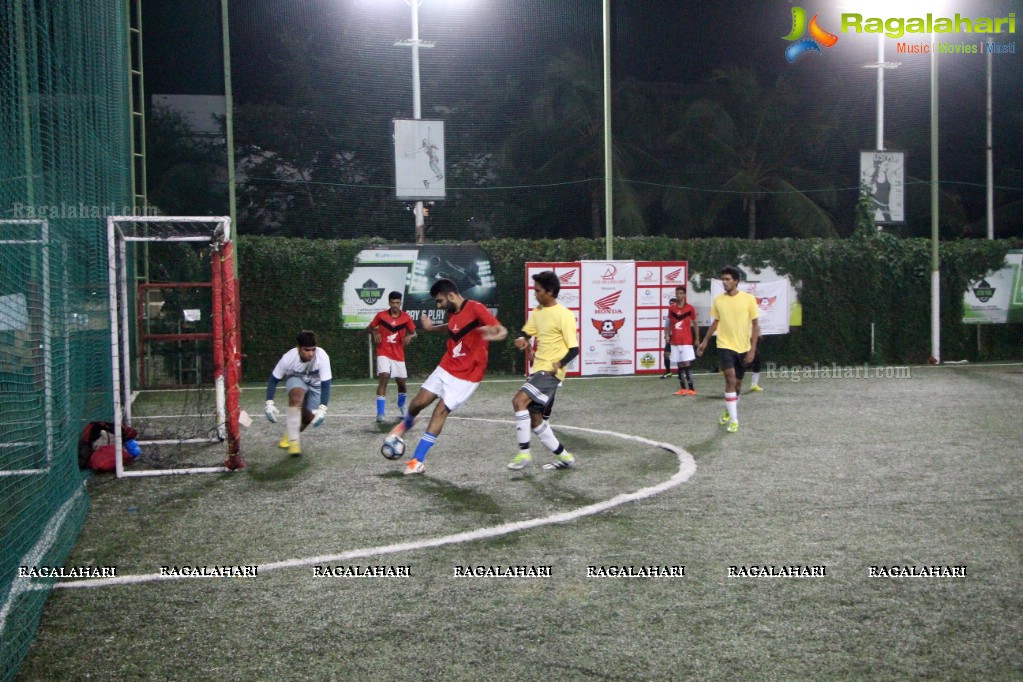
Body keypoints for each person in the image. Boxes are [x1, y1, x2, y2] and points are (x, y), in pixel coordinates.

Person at [387, 278, 507, 475]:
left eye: (440, 301)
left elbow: (501, 330)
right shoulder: (452, 312)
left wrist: (495, 334)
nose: (438, 305)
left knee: (439, 411)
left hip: (467, 375)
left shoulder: (476, 308)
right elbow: (452, 326)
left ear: (451, 296)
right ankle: (407, 424)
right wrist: (431, 328)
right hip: (447, 365)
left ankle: (416, 461)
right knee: (417, 403)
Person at [507, 271, 579, 471]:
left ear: (550, 292)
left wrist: (560, 364)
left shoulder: (564, 315)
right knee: (535, 418)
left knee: (518, 401)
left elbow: (575, 348)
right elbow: (527, 331)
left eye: (537, 290)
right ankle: (565, 457)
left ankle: (524, 453)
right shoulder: (538, 311)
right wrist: (522, 339)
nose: (534, 293)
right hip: (537, 369)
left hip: (549, 372)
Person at [696, 266, 759, 433]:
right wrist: (705, 341)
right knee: (730, 381)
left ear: (736, 281)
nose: (724, 282)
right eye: (723, 279)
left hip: (743, 347)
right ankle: (734, 420)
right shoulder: (718, 300)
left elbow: (755, 325)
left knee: (737, 385)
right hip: (724, 345)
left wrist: (752, 350)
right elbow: (716, 322)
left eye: (727, 279)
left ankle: (728, 408)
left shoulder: (749, 299)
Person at [265, 330, 332, 455]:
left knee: (308, 418)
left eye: (313, 349)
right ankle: (294, 442)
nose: (311, 353)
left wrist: (323, 408)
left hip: (316, 385)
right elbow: (273, 380)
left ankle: (289, 434)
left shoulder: (322, 357)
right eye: (306, 350)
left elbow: (326, 385)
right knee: (296, 399)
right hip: (297, 378)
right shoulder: (288, 358)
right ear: (298, 348)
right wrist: (269, 403)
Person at [369, 291, 417, 423]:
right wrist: (374, 333)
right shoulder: (381, 316)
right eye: (393, 302)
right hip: (383, 351)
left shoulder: (406, 318)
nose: (395, 305)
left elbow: (414, 333)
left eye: (397, 302)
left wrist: (409, 336)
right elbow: (370, 327)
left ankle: (401, 405)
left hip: (398, 354)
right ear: (389, 303)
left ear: (400, 302)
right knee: (384, 376)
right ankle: (380, 414)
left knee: (401, 384)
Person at [667, 285, 701, 396]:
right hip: (675, 340)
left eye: (681, 293)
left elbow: (695, 323)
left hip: (686, 340)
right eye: (677, 293)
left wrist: (697, 338)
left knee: (686, 363)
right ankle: (682, 388)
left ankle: (691, 388)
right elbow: (670, 323)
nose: (678, 295)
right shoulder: (672, 308)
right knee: (679, 364)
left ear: (685, 295)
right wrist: (668, 335)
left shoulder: (690, 308)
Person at [660, 297, 677, 379]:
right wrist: (666, 335)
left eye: (673, 304)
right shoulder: (668, 316)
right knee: (666, 354)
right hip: (670, 337)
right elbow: (666, 327)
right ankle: (668, 372)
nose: (671, 305)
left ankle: (683, 372)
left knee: (681, 355)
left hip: (679, 336)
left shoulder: (679, 314)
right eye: (670, 304)